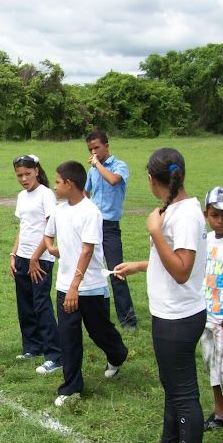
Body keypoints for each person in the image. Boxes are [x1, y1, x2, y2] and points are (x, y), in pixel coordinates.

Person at [117, 148, 207, 443]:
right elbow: (178, 261)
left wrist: (155, 231)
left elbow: (182, 271)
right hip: (169, 312)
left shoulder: (184, 215)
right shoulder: (176, 209)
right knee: (171, 384)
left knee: (183, 393)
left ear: (154, 180)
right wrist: (141, 265)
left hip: (179, 317)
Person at [43, 161, 128, 407]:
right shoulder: (60, 210)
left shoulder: (91, 212)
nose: (55, 186)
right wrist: (52, 249)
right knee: (68, 337)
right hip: (64, 286)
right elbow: (49, 233)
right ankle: (70, 388)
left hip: (89, 286)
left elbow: (87, 251)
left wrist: (74, 287)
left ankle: (117, 355)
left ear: (70, 184)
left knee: (99, 331)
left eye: (58, 182)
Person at [10, 155, 62, 374]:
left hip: (40, 260)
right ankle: (32, 347)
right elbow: (24, 227)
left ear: (37, 171)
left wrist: (35, 257)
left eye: (27, 174)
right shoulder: (22, 196)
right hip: (23, 257)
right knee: (25, 305)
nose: (23, 179)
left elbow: (50, 229)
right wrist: (14, 253)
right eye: (19, 175)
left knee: (41, 305)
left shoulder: (46, 195)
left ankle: (55, 355)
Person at [83, 131, 137, 330]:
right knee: (90, 270)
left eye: (96, 147)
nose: (93, 152)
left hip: (110, 227)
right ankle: (96, 316)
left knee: (117, 271)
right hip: (93, 224)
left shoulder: (118, 166)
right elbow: (85, 191)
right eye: (90, 149)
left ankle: (128, 320)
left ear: (107, 145)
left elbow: (114, 180)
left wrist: (96, 164)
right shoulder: (92, 171)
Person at [199, 186, 223, 443]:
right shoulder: (205, 241)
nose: (220, 220)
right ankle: (220, 413)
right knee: (213, 366)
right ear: (206, 214)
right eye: (215, 214)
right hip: (207, 318)